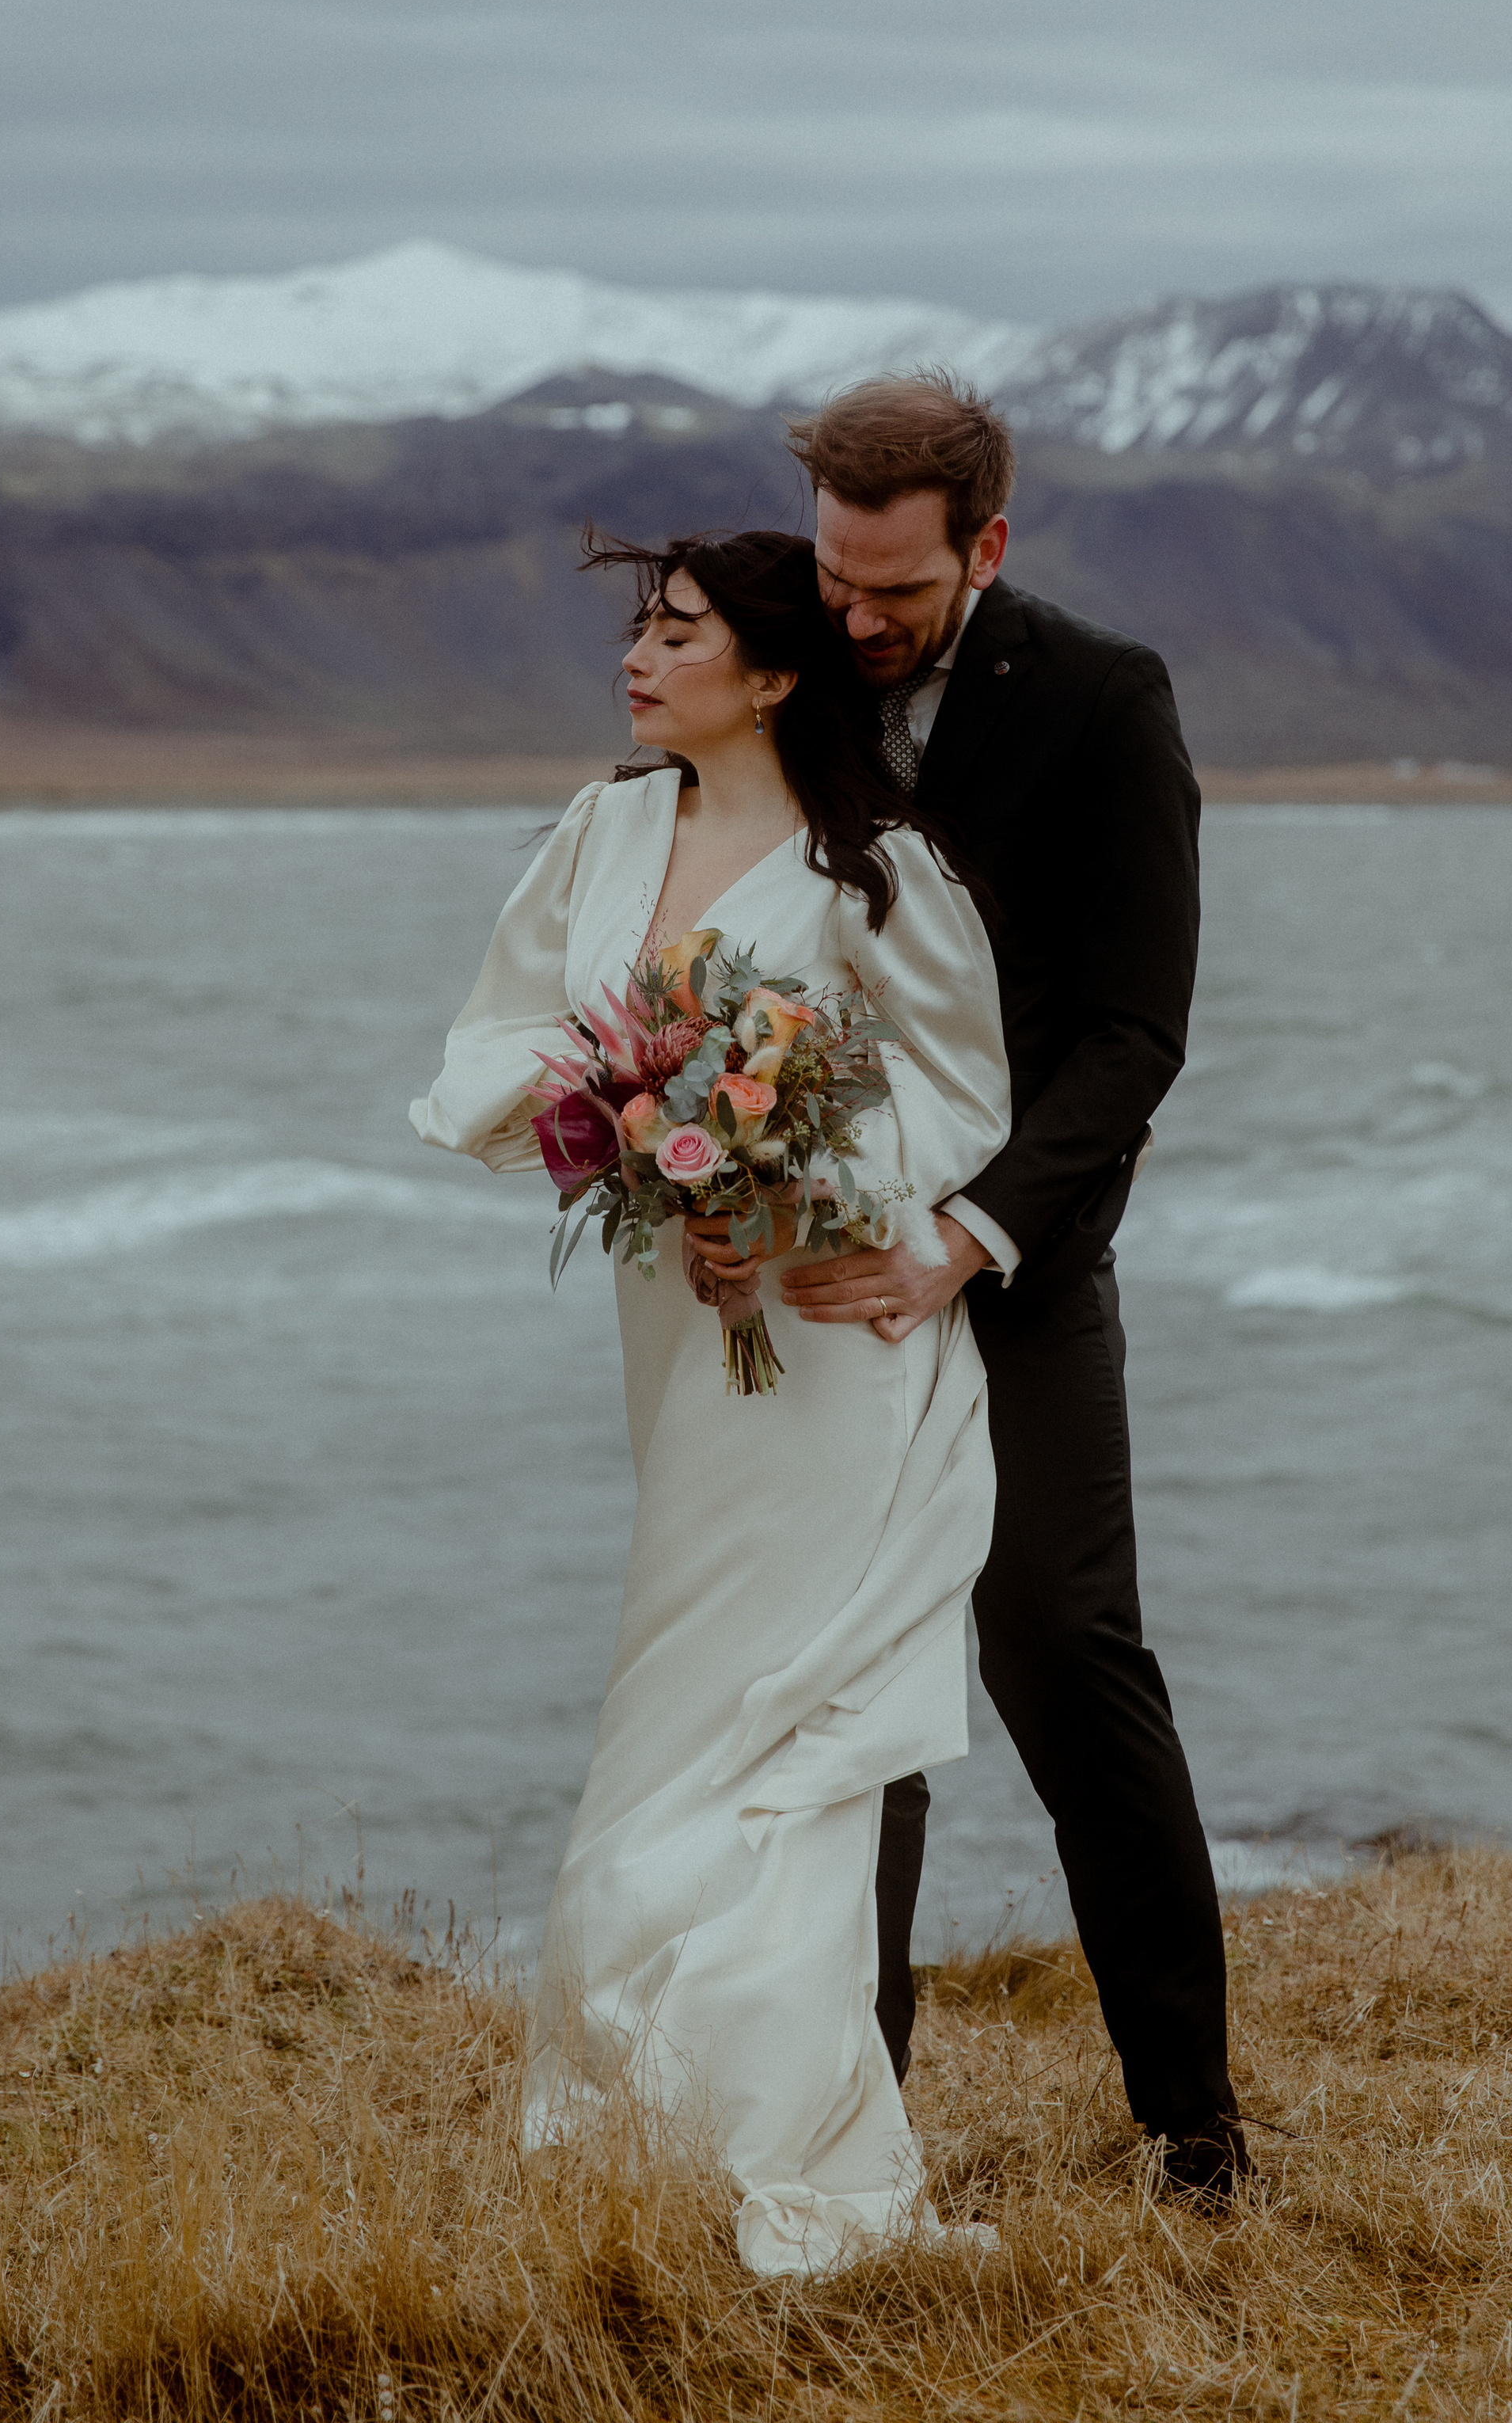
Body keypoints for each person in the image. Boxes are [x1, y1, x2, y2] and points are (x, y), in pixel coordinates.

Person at [410, 529, 1012, 2278]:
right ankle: (636, 2127)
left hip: (826, 1332)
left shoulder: (872, 872)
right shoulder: (602, 832)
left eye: (677, 634)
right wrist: (606, 1102)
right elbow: (493, 1040)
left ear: (771, 675)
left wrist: (791, 1184)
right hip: (679, 1326)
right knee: (670, 1698)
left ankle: (779, 2139)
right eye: (636, 628)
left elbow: (957, 1097)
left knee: (779, 1722)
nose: (636, 656)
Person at [692, 371, 1247, 2200]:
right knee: (852, 1698)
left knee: (1068, 1666)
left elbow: (1129, 1034)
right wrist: (704, 1182)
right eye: (835, 586)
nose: (854, 626)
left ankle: (1192, 2128)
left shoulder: (1102, 700)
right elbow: (701, 949)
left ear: (985, 549)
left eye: (896, 598)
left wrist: (967, 1234)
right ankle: (855, 2143)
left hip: (1011, 1272)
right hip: (816, 1286)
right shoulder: (788, 673)